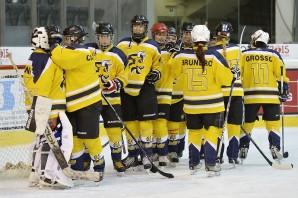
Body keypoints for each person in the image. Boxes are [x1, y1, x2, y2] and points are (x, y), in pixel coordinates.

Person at [169, 24, 237, 175]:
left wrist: (171, 55)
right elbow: (226, 80)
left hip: (191, 105)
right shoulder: (215, 56)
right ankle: (211, 164)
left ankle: (193, 163)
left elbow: (172, 73)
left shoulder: (181, 56)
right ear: (207, 38)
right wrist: (234, 75)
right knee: (212, 133)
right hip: (213, 105)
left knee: (194, 133)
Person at [50, 25, 105, 176]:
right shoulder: (69, 51)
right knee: (74, 138)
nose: (67, 41)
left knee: (90, 138)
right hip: (72, 103)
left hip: (88, 101)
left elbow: (62, 59)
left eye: (70, 38)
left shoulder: (82, 51)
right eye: (65, 38)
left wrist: (53, 45)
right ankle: (78, 169)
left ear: (79, 38)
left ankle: (99, 168)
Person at [23, 26, 73, 187]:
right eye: (54, 41)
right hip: (48, 105)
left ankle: (35, 173)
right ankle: (46, 174)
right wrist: (41, 108)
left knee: (42, 138)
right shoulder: (45, 58)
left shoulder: (35, 56)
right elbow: (41, 86)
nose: (56, 44)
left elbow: (30, 82)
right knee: (53, 139)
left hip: (40, 104)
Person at [117, 15, 162, 170]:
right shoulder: (122, 44)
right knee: (130, 122)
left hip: (145, 88)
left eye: (141, 26)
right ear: (132, 27)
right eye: (135, 25)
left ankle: (147, 153)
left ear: (145, 28)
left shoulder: (153, 45)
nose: (138, 28)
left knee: (145, 123)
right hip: (126, 89)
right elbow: (116, 63)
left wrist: (156, 73)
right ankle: (132, 154)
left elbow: (159, 65)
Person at [239, 29, 290, 162]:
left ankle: (243, 147)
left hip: (250, 96)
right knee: (273, 124)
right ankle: (275, 147)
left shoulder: (244, 54)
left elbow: (238, 74)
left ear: (255, 40)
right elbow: (281, 74)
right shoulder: (274, 55)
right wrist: (284, 91)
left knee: (247, 124)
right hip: (271, 96)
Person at [92, 22, 128, 173]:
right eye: (101, 36)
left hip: (112, 99)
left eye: (106, 36)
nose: (104, 40)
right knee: (91, 131)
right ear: (97, 37)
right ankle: (90, 160)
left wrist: (115, 83)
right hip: (92, 100)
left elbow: (125, 75)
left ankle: (117, 159)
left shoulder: (119, 54)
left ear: (111, 37)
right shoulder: (89, 50)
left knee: (114, 131)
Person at [209, 22, 244, 165]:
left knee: (221, 126)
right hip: (230, 92)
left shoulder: (211, 51)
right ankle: (232, 155)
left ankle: (221, 154)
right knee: (231, 125)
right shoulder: (236, 49)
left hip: (222, 93)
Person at [167, 22, 193, 164]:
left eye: (190, 33)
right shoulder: (175, 47)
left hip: (188, 92)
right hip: (172, 91)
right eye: (185, 33)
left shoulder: (198, 48)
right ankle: (171, 149)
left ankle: (179, 147)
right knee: (172, 122)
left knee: (182, 123)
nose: (187, 36)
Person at [150, 22, 173, 167]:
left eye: (163, 34)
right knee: (150, 124)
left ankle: (163, 153)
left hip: (165, 92)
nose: (161, 37)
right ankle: (152, 151)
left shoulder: (172, 51)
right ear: (153, 35)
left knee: (161, 123)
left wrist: (175, 53)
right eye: (158, 34)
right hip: (149, 92)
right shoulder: (150, 49)